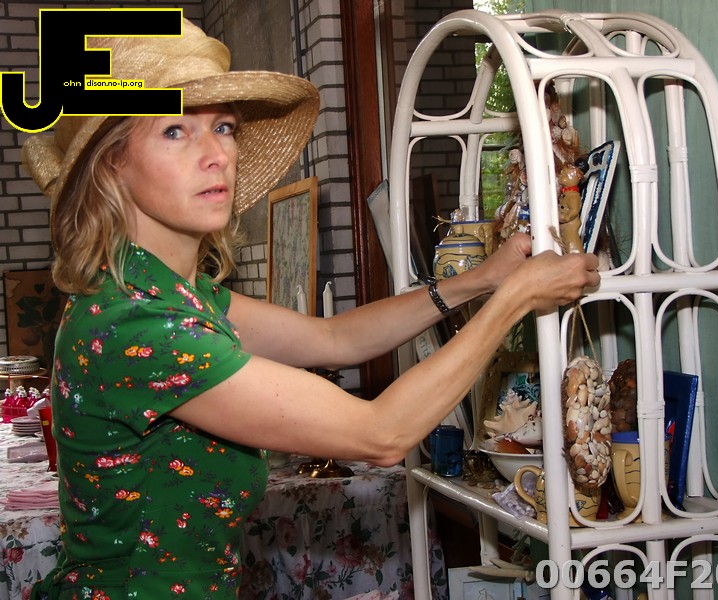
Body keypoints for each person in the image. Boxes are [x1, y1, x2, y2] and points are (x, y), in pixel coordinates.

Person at [21, 19, 600, 600]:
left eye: (223, 127)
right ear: (112, 164)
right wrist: (516, 300)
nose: (217, 155)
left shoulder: (169, 295)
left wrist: (480, 281)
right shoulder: (138, 324)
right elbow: (382, 433)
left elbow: (333, 339)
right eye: (175, 130)